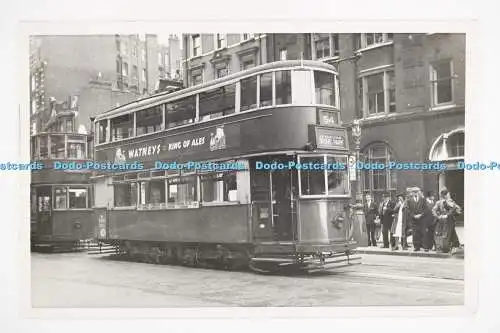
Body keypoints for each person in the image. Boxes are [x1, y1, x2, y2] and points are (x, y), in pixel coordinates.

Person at [432, 189, 462, 253]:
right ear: (445, 195)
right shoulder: (439, 202)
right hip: (443, 221)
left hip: (449, 220)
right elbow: (433, 210)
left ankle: (453, 246)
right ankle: (447, 246)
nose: (449, 195)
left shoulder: (450, 202)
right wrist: (438, 216)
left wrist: (441, 216)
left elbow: (458, 209)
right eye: (448, 194)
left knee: (449, 233)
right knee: (445, 234)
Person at [407, 187, 427, 251]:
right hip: (413, 219)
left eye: (416, 192)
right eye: (414, 192)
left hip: (421, 219)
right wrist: (413, 216)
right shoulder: (409, 200)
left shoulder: (422, 199)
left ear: (418, 192)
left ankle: (423, 246)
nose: (415, 193)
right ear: (412, 193)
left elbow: (425, 209)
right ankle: (416, 246)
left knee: (422, 232)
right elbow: (408, 210)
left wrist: (421, 215)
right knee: (415, 233)